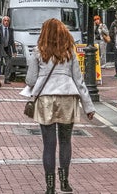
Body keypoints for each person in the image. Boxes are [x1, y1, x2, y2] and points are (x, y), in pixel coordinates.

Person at [24, 18, 95, 194]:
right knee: (65, 141)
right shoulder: (70, 52)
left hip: (46, 98)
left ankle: (50, 186)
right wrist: (88, 106)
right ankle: (65, 181)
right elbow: (79, 80)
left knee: (48, 144)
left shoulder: (38, 52)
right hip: (67, 96)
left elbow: (30, 80)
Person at [0, 16, 16, 84]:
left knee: (8, 63)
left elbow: (12, 41)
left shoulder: (11, 30)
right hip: (0, 48)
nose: (6, 22)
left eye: (7, 21)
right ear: (2, 21)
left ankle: (6, 78)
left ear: (9, 22)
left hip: (7, 48)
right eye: (5, 20)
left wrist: (14, 51)